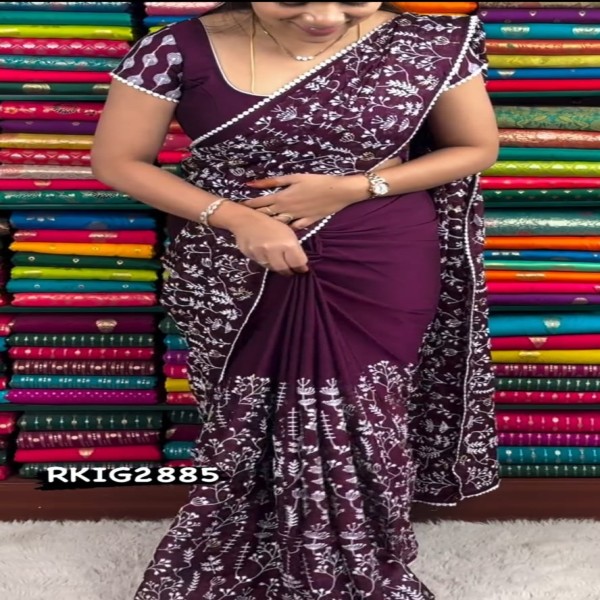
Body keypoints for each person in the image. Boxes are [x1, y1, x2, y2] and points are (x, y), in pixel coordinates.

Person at [91, 2, 500, 598]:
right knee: (243, 413)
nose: (323, 15)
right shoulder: (174, 47)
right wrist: (237, 219)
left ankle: (359, 557)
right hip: (231, 255)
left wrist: (353, 187)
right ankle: (248, 551)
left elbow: (475, 147)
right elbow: (116, 160)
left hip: (379, 248)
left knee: (368, 409)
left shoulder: (427, 43)